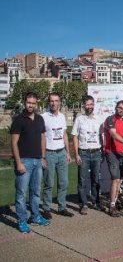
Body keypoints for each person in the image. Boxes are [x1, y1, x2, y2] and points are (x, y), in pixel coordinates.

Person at [10, 92, 49, 233]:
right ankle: (22, 221)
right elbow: (14, 143)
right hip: (24, 161)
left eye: (33, 103)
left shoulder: (39, 119)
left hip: (38, 160)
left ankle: (35, 216)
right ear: (24, 102)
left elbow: (43, 138)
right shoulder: (19, 120)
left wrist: (43, 157)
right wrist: (18, 162)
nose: (30, 105)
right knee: (21, 193)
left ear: (36, 103)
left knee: (35, 192)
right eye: (28, 103)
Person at [41, 93, 73, 220]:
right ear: (49, 102)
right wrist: (42, 156)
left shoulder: (62, 117)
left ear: (60, 102)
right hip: (49, 153)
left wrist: (68, 152)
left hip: (61, 153)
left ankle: (62, 207)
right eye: (51, 101)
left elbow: (64, 134)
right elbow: (41, 137)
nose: (54, 103)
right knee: (49, 182)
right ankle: (46, 208)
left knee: (63, 182)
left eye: (56, 101)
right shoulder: (43, 117)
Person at [72, 95, 103, 215]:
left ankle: (95, 201)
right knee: (82, 179)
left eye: (91, 104)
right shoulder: (79, 119)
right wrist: (77, 154)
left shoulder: (99, 119)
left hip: (96, 152)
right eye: (87, 104)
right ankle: (83, 203)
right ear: (84, 106)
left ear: (94, 105)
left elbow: (101, 136)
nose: (89, 107)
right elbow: (74, 136)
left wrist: (102, 150)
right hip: (83, 153)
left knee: (95, 179)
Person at [103, 100, 123, 217]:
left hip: (122, 153)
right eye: (119, 108)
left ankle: (116, 201)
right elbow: (113, 134)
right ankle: (112, 206)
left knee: (121, 179)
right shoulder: (110, 119)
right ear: (116, 108)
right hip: (111, 152)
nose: (121, 110)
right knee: (115, 179)